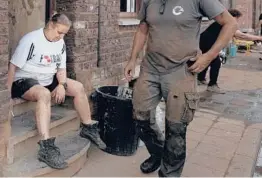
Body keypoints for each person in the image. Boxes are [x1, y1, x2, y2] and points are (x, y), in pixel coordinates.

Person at [124, 0, 238, 177]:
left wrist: (209, 56)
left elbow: (230, 23)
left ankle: (169, 173)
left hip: (181, 71)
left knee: (176, 128)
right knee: (140, 118)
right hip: (150, 69)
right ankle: (158, 153)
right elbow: (142, 29)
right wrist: (132, 59)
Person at [6, 13, 106, 169]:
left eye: (64, 34)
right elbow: (13, 66)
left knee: (78, 87)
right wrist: (7, 93)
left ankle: (88, 127)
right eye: (59, 32)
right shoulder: (31, 40)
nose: (61, 37)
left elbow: (61, 68)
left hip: (48, 78)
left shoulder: (60, 43)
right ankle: (46, 147)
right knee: (44, 94)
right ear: (50, 25)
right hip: (25, 80)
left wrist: (62, 85)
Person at [198, 9, 262, 93]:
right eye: (237, 18)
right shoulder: (227, 23)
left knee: (209, 60)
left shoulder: (222, 22)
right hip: (207, 42)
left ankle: (200, 78)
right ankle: (212, 85)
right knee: (216, 62)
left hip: (204, 41)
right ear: (232, 16)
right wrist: (259, 38)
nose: (237, 21)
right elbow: (241, 35)